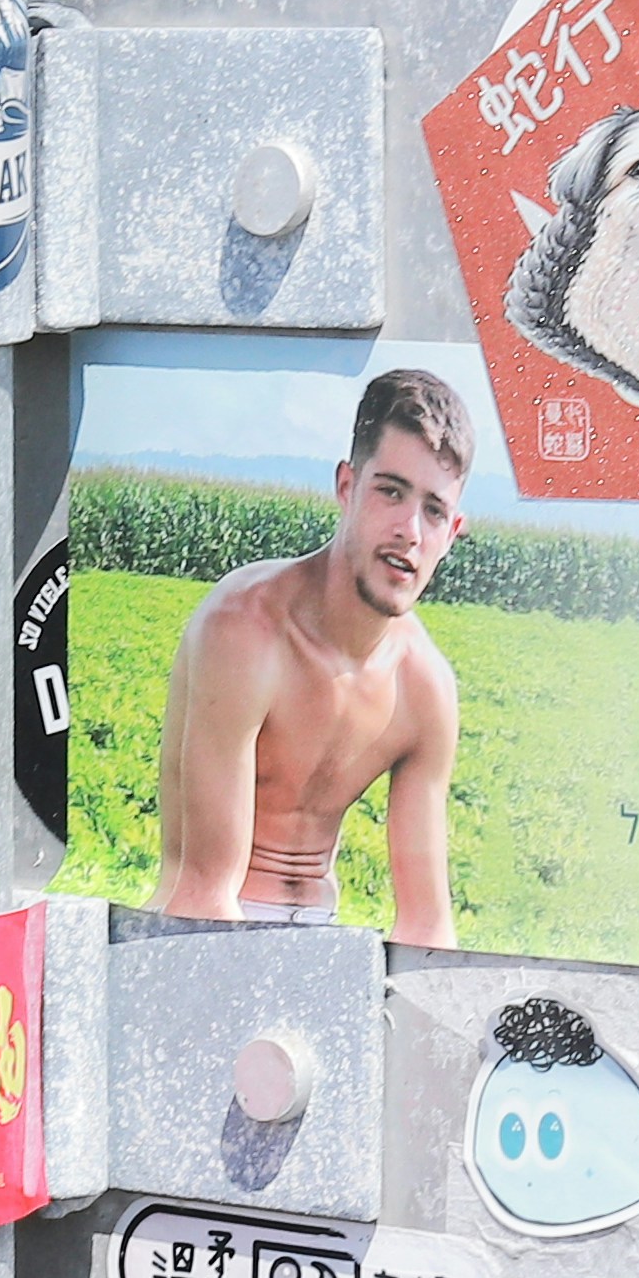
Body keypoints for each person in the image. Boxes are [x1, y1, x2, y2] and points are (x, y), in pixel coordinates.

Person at [149, 365, 469, 944]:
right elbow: (204, 893)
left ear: (453, 533)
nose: (409, 532)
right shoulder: (245, 629)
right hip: (205, 929)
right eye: (390, 492)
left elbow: (427, 925)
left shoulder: (426, 690)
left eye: (433, 510)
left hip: (322, 934)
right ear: (347, 487)